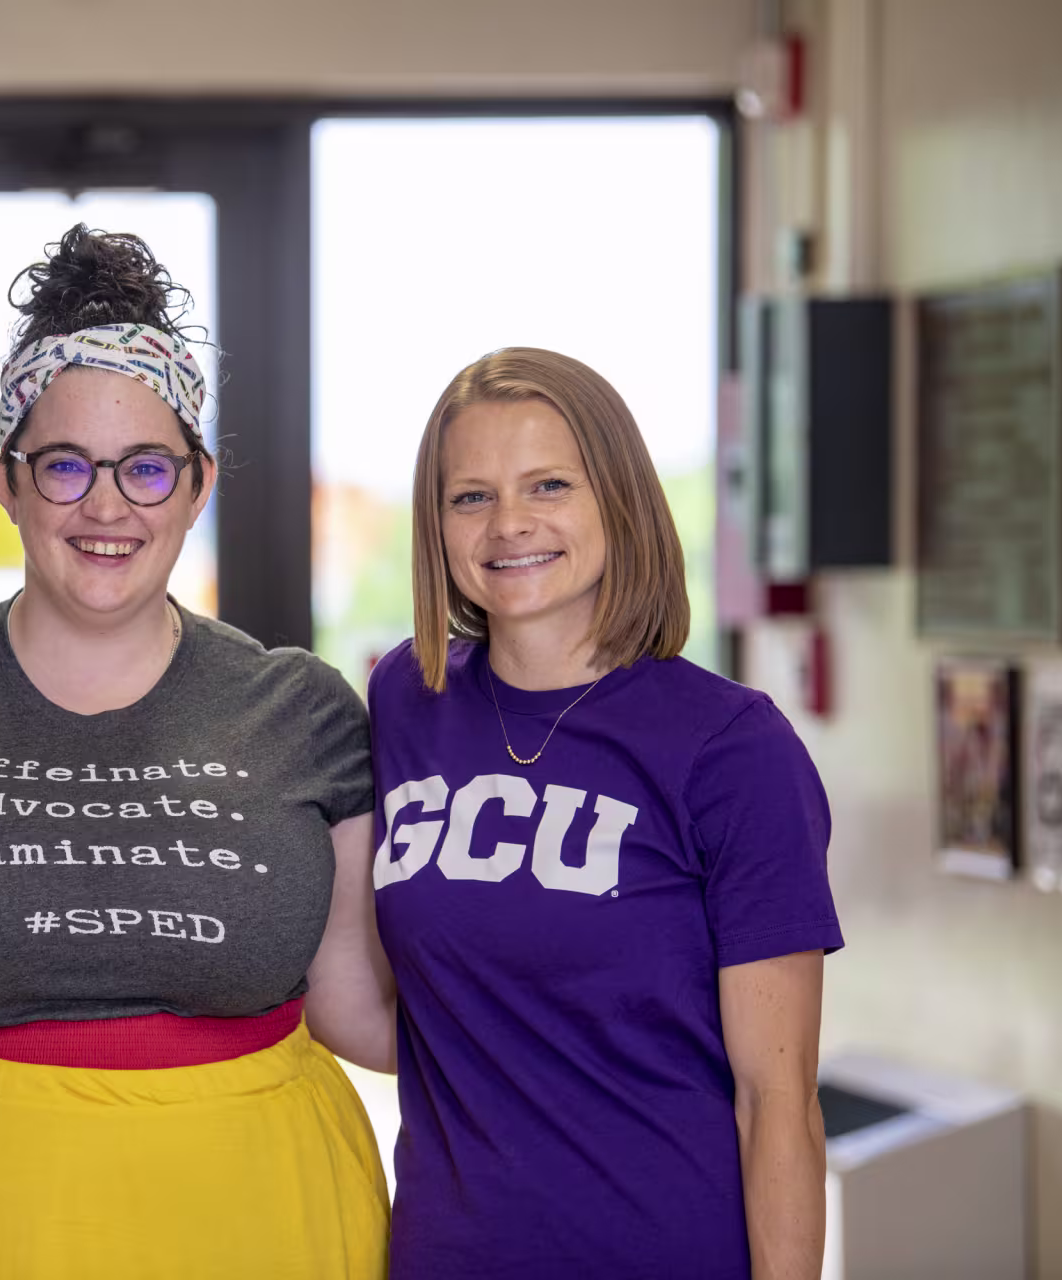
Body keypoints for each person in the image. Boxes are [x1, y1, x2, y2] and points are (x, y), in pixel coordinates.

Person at [0, 224, 394, 1280]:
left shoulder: (303, 709)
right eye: (65, 465)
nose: (107, 505)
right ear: (6, 482)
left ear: (199, 485)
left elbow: (353, 1001)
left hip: (255, 1223)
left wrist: (605, 1052)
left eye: (147, 467)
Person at [365, 347, 842, 1280]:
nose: (510, 524)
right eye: (471, 497)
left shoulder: (731, 748)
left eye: (548, 484)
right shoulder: (404, 702)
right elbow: (395, 1000)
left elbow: (775, 1101)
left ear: (617, 498)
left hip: (663, 1250)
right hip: (446, 1256)